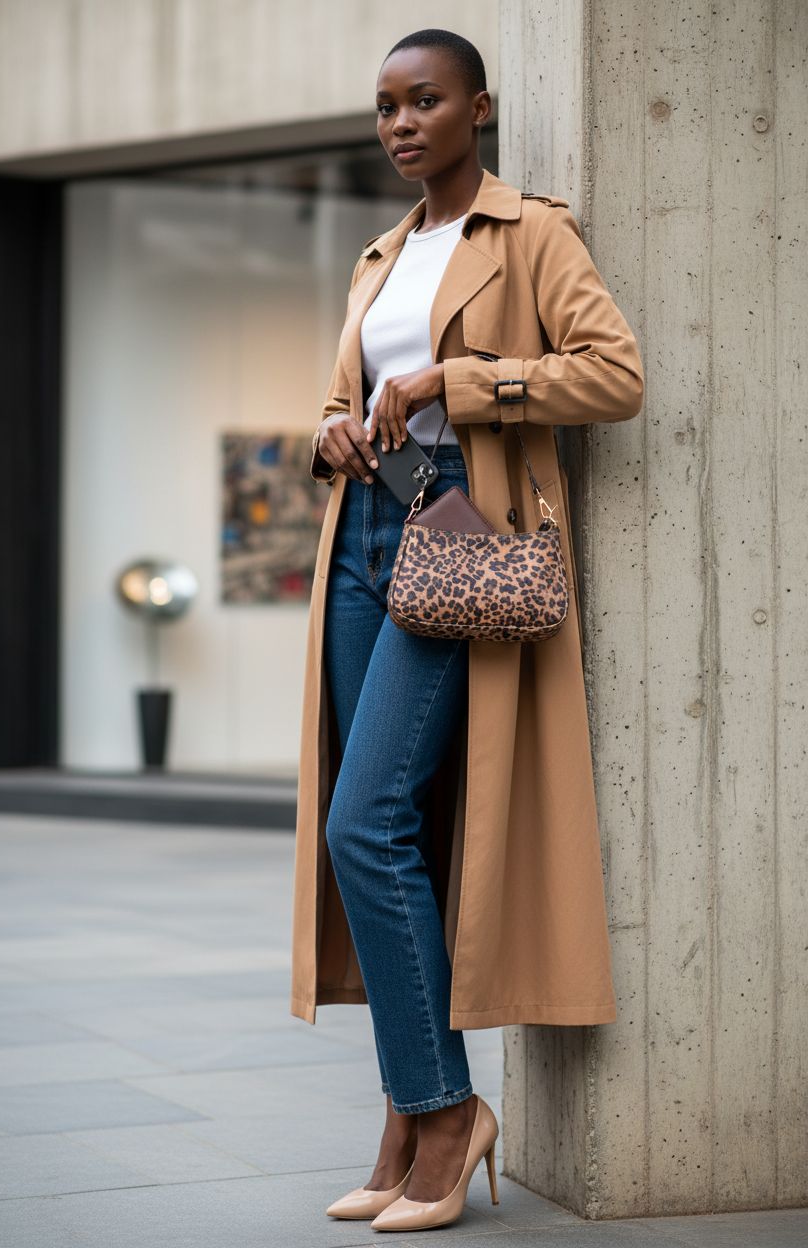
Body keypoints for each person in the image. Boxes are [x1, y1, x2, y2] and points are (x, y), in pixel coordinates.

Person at [291, 27, 644, 1234]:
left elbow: (614, 376)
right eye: (383, 105)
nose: (399, 123)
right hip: (365, 545)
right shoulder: (378, 253)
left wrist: (466, 380)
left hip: (462, 548)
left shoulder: (531, 234)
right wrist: (331, 428)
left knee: (365, 821)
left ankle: (447, 1115)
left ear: (477, 109)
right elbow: (347, 396)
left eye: (423, 100)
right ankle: (409, 1111)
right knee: (395, 830)